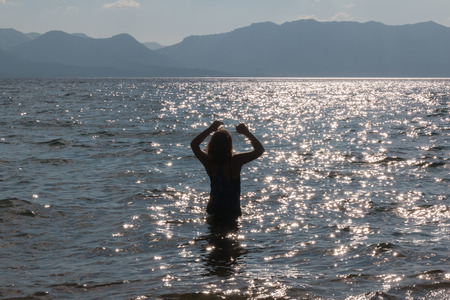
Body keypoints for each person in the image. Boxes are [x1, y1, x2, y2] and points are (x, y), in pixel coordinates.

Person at [191, 120, 265, 219]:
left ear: (212, 144)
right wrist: (246, 132)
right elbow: (260, 150)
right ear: (229, 145)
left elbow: (194, 145)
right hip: (231, 210)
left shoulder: (209, 161)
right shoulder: (235, 161)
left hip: (213, 209)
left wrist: (210, 129)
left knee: (212, 233)